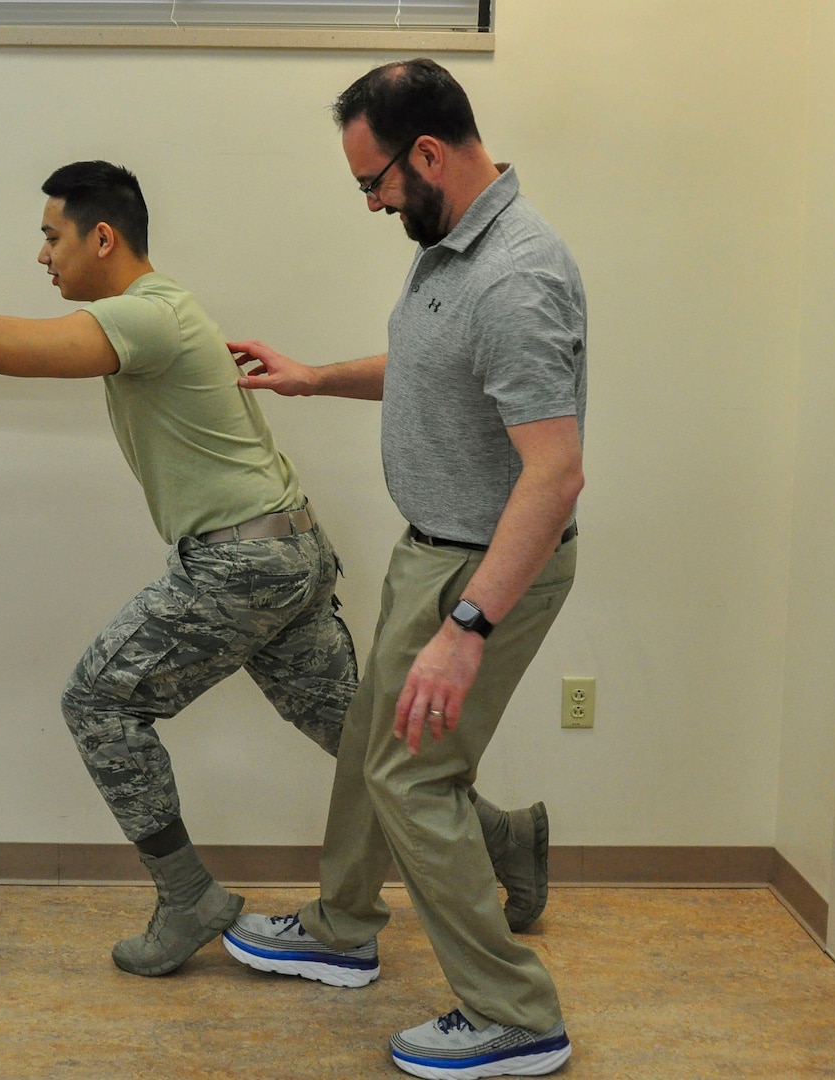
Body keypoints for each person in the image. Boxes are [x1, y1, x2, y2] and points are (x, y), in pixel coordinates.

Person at [0, 160, 547, 982]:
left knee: (98, 701)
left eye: (51, 236)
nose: (42, 256)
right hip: (284, 551)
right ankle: (504, 838)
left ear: (101, 236)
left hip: (242, 564)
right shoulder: (160, 313)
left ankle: (186, 897)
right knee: (359, 742)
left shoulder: (148, 316)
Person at [220, 61, 587, 1079]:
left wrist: (466, 630)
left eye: (374, 182)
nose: (374, 202)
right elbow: (434, 367)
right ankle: (343, 927)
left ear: (428, 154)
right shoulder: (448, 247)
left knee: (414, 775)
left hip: (484, 569)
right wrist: (316, 376)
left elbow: (554, 477)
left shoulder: (515, 273)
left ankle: (516, 1015)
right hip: (434, 550)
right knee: (369, 744)